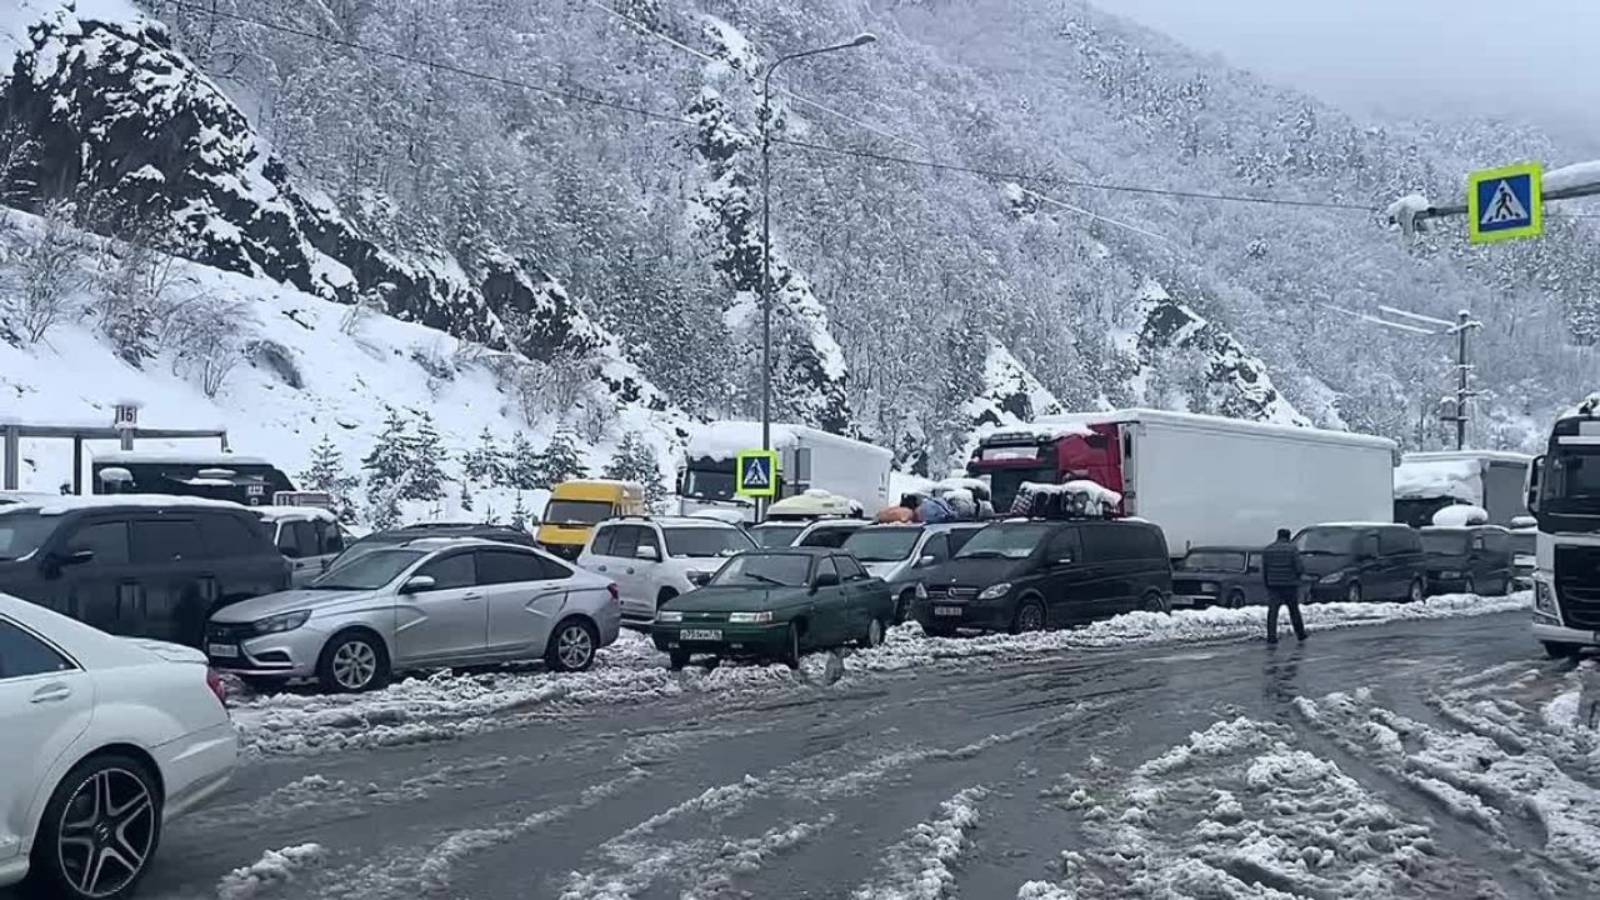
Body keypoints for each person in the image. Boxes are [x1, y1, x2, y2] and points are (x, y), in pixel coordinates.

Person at [1261, 528, 1307, 644]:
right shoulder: (1292, 549)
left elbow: (1264, 570)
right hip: (1290, 585)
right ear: (1288, 536)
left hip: (1273, 585)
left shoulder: (1268, 549)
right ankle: (1300, 634)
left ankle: (1271, 637)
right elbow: (1299, 568)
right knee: (1294, 611)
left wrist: (1267, 583)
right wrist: (1298, 577)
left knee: (1273, 612)